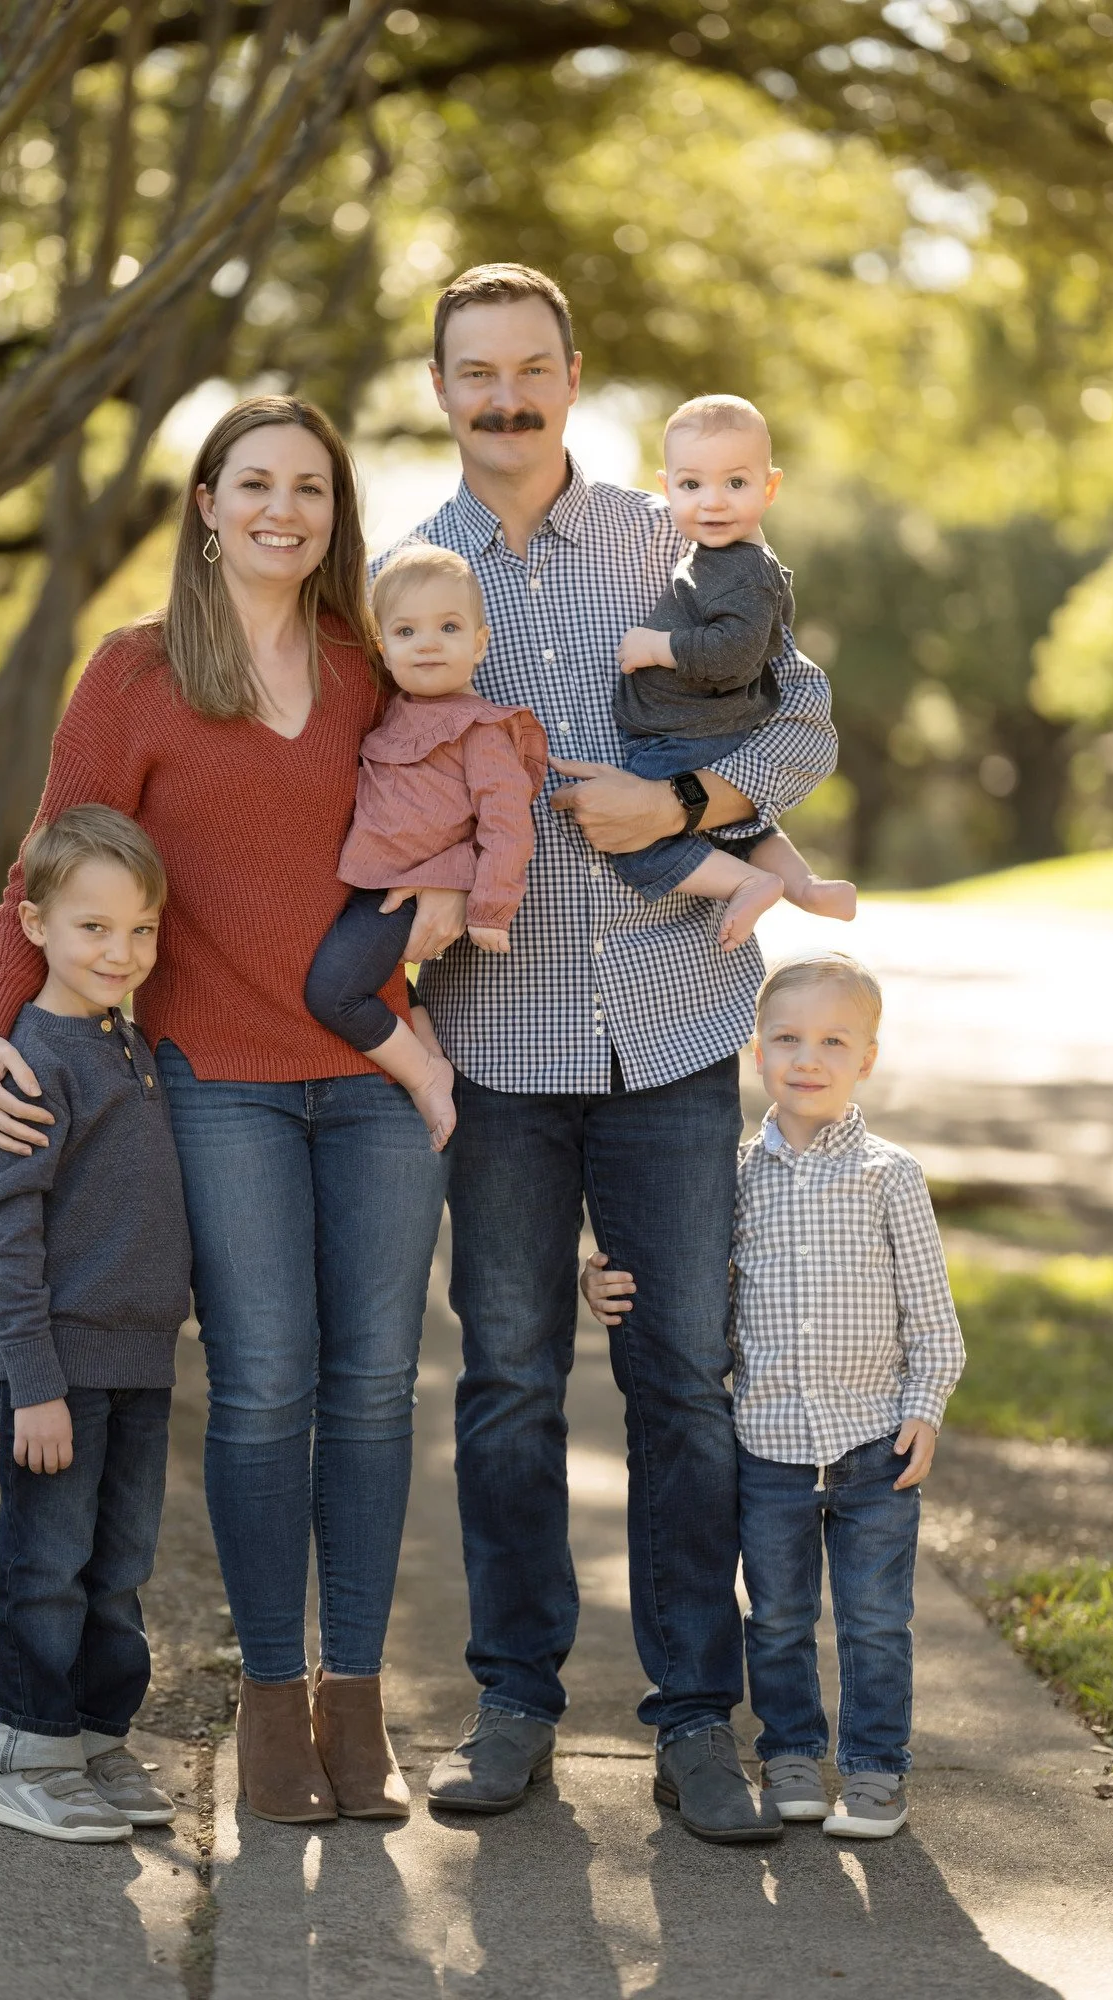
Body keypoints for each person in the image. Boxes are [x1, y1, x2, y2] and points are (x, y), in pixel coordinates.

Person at [0, 396, 459, 1828]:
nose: (282, 509)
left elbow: (454, 816)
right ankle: (267, 1707)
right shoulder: (133, 673)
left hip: (372, 1080)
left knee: (375, 1395)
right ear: (206, 501)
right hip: (215, 1082)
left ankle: (354, 1712)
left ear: (335, 509)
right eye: (255, 483)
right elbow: (44, 868)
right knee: (262, 1390)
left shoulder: (375, 666)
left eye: (310, 486)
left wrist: (444, 906)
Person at [388, 262, 837, 1842]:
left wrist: (691, 808)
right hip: (495, 1048)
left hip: (670, 1031)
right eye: (474, 374)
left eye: (529, 368)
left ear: (573, 374)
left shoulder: (681, 539)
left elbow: (802, 724)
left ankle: (695, 1720)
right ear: (441, 390)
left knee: (685, 1386)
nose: (503, 397)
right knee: (507, 1382)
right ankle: (513, 1700)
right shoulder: (406, 576)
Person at [584, 952, 965, 1840]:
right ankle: (791, 1753)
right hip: (770, 1443)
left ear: (867, 1058)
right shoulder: (731, 1177)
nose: (809, 1057)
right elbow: (689, 1292)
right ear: (756, 1051)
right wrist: (595, 1280)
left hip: (875, 1443)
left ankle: (874, 1773)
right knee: (781, 1615)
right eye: (787, 1037)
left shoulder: (890, 1175)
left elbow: (934, 1317)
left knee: (875, 1620)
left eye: (834, 1040)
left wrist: (926, 1408)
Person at [0, 805, 190, 1844]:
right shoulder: (32, 1060)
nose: (122, 949)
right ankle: (28, 1748)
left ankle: (98, 1737)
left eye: (140, 928)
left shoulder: (130, 1044)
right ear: (36, 926)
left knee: (119, 1566)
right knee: (47, 1565)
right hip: (57, 1370)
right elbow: (6, 1234)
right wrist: (35, 1381)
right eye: (95, 926)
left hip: (138, 1364)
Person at [305, 544, 547, 1150]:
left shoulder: (481, 727)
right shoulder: (390, 715)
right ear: (384, 651)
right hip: (374, 885)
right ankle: (426, 1040)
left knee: (333, 991)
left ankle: (425, 1076)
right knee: (362, 974)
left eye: (448, 627)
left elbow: (507, 822)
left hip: (410, 894)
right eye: (407, 631)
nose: (429, 643)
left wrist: (490, 907)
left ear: (480, 644)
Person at [610, 393, 856, 950]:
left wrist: (659, 647)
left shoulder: (742, 568)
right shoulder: (727, 556)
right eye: (692, 485)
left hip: (687, 734)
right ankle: (807, 887)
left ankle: (749, 883)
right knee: (743, 824)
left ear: (769, 488)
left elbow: (736, 653)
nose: (712, 503)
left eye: (736, 484)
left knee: (634, 835)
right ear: (666, 485)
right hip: (699, 728)